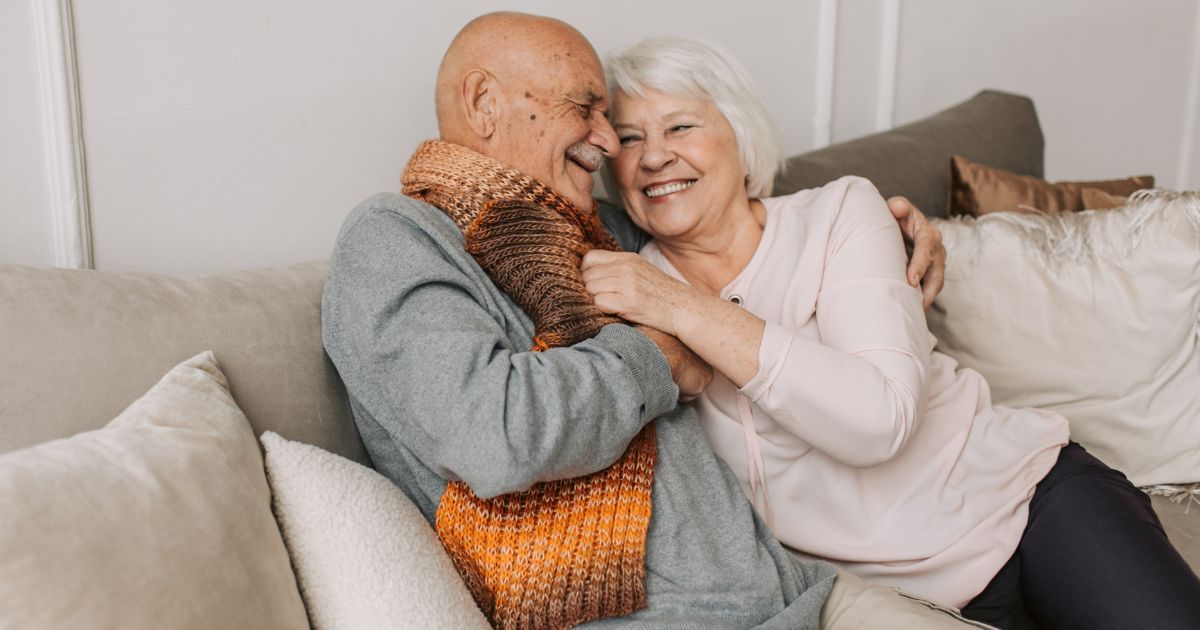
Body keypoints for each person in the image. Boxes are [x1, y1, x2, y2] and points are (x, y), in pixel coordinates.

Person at [322, 11, 989, 630]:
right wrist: (661, 359)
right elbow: (495, 435)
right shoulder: (395, 240)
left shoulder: (604, 230)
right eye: (585, 108)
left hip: (796, 591)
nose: (609, 142)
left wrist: (893, 231)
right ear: (484, 103)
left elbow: (736, 223)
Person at [582, 36, 1200, 630]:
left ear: (741, 136)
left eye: (680, 126)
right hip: (891, 600)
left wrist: (687, 309)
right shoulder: (625, 287)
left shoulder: (840, 214)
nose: (653, 156)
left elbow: (879, 420)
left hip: (1026, 503)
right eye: (629, 139)